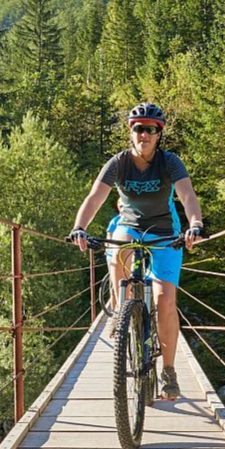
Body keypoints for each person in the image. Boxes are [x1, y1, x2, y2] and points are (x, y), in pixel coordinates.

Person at [68, 103, 205, 399]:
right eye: (138, 128)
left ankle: (168, 371)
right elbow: (95, 197)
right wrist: (79, 227)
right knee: (117, 246)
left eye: (150, 130)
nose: (144, 134)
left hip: (164, 233)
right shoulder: (118, 163)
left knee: (165, 301)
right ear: (131, 132)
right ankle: (121, 309)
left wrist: (195, 224)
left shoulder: (170, 163)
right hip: (129, 226)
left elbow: (187, 195)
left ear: (159, 135)